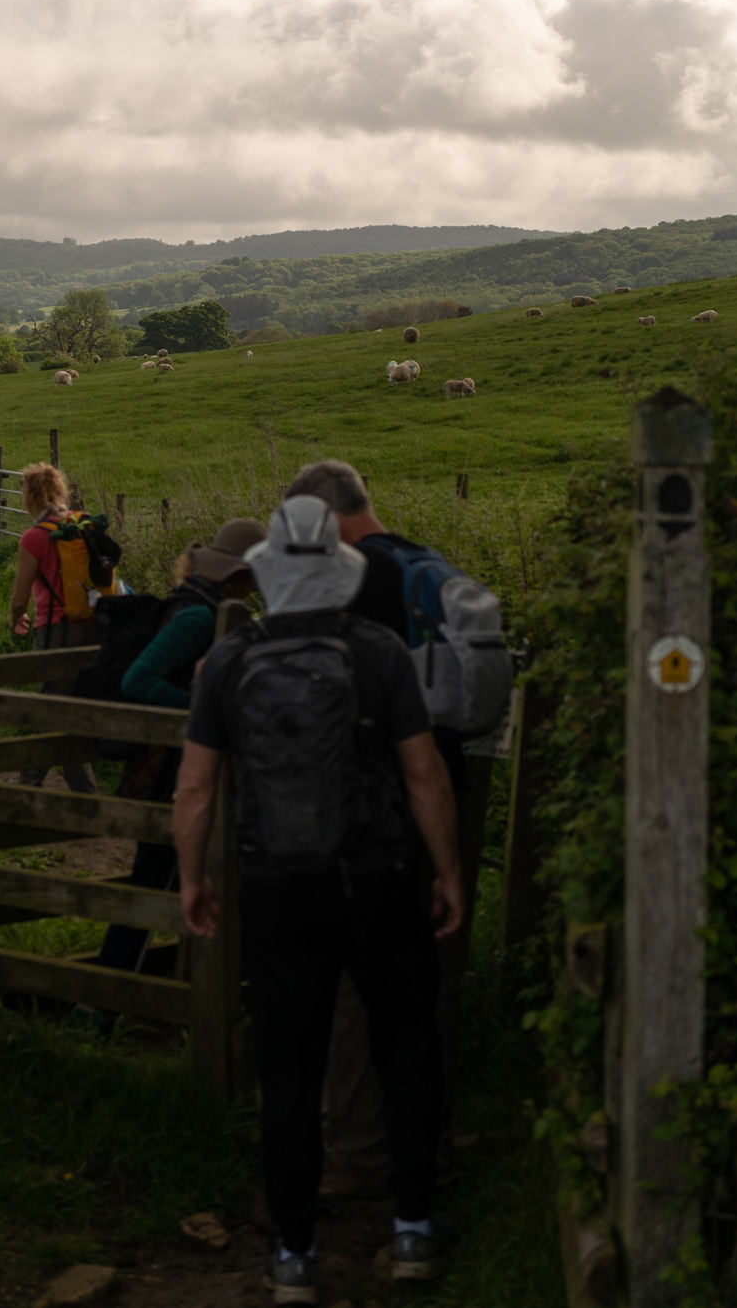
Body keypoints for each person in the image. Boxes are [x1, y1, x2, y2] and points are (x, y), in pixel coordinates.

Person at [175, 496, 465, 1300]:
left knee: (289, 1071)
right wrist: (446, 870)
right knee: (403, 1050)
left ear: (267, 577)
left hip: (276, 888)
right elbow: (424, 774)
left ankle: (294, 1255)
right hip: (377, 879)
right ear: (339, 573)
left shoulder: (233, 660)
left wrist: (194, 877)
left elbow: (197, 784)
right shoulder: (378, 653)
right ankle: (411, 1232)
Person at [282, 458, 487, 1198]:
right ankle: (429, 1137)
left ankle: (359, 1151)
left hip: (372, 813)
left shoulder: (351, 583)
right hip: (446, 799)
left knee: (353, 988)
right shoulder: (423, 563)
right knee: (433, 978)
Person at [93, 517, 260, 975]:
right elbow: (138, 679)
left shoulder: (209, 606)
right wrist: (201, 708)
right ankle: (109, 995)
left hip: (183, 765)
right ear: (242, 575)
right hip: (172, 768)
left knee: (167, 881)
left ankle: (140, 987)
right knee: (156, 880)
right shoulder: (198, 617)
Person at [6, 462, 115, 793]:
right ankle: (81, 785)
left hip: (56, 630)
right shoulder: (85, 525)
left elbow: (20, 595)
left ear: (29, 497)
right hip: (95, 627)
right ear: (60, 490)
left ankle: (30, 783)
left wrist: (16, 617)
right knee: (75, 704)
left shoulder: (35, 538)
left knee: (52, 705)